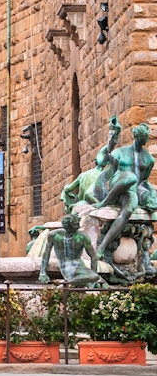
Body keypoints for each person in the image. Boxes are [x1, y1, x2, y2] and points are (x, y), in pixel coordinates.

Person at [93, 121, 157, 258]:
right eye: (143, 137)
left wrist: (150, 192)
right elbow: (103, 160)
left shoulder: (149, 159)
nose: (145, 140)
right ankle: (105, 201)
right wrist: (111, 141)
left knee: (128, 210)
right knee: (130, 177)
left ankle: (102, 246)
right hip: (119, 182)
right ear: (137, 137)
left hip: (131, 191)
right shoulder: (121, 152)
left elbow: (144, 180)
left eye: (146, 137)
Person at [39, 214, 100, 287]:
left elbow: (93, 256)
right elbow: (46, 253)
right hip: (67, 268)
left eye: (78, 224)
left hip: (81, 267)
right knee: (94, 277)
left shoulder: (83, 237)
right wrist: (42, 272)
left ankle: (66, 285)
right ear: (67, 226)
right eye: (75, 225)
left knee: (101, 283)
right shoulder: (54, 235)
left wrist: (92, 281)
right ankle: (65, 285)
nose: (78, 227)